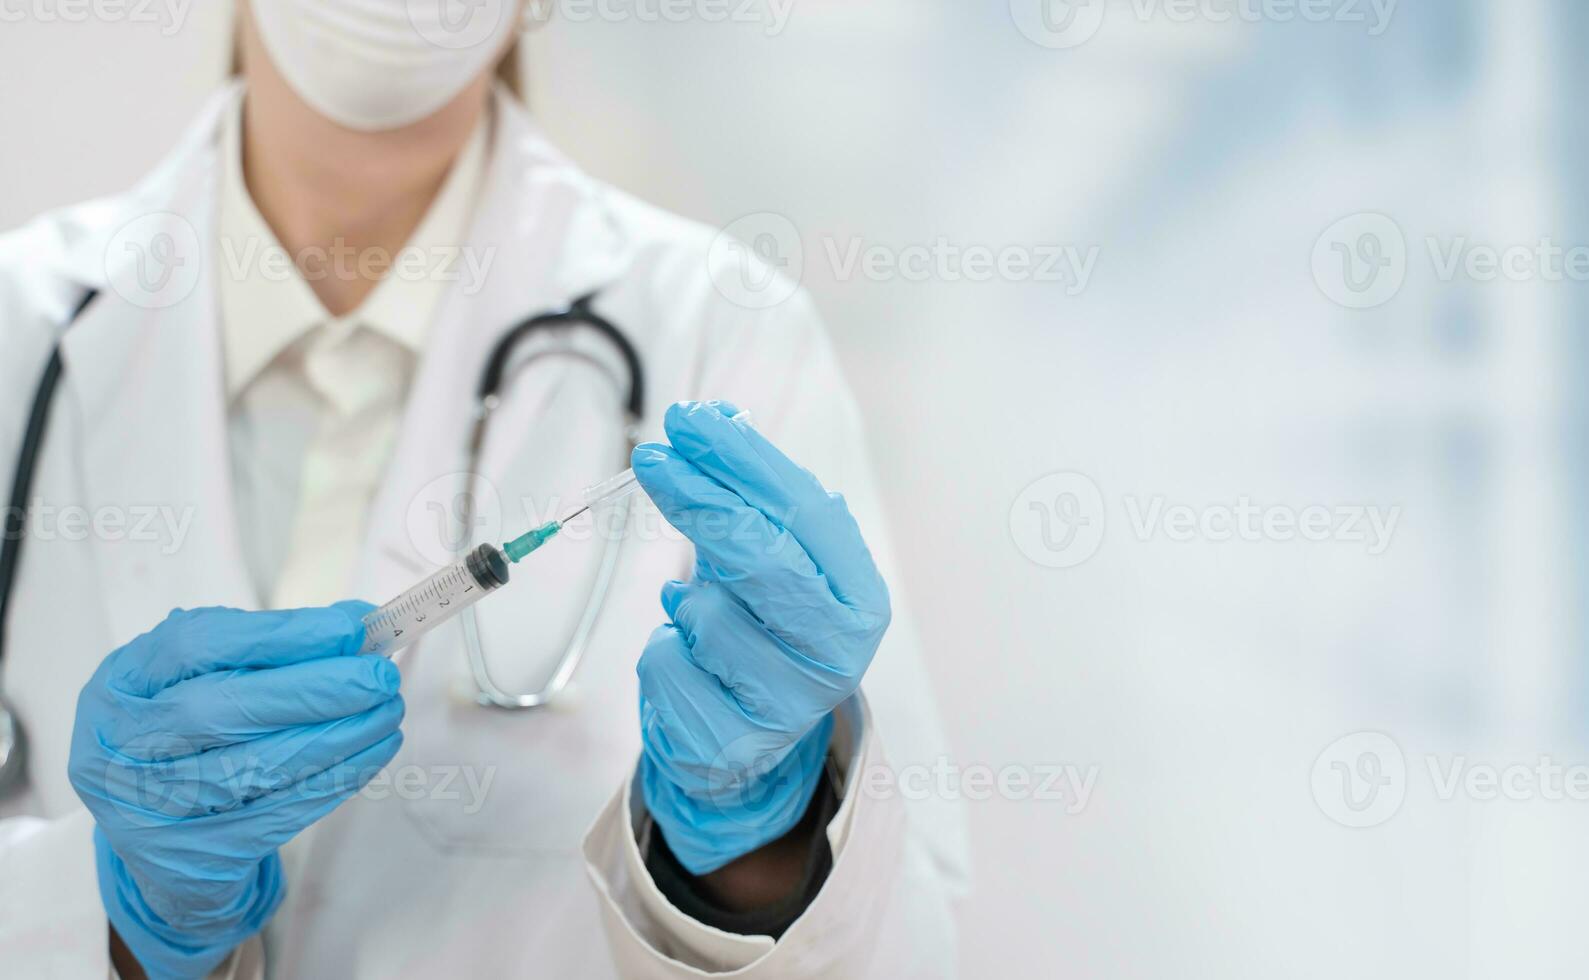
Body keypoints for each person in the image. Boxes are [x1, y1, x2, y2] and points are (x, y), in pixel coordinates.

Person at [0, 1, 965, 977]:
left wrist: (753, 844)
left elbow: (910, 947)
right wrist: (111, 921)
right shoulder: (17, 326)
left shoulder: (725, 328)